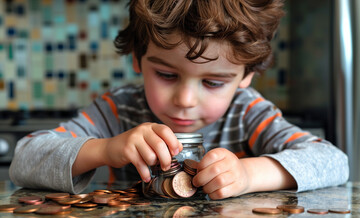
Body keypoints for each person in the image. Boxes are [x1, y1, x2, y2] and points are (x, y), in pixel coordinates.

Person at [9, 0, 348, 200]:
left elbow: (333, 161)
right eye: (167, 75)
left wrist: (247, 175)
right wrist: (107, 149)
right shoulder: (117, 110)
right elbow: (24, 158)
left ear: (246, 76)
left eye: (213, 82)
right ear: (138, 59)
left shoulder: (248, 112)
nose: (185, 100)